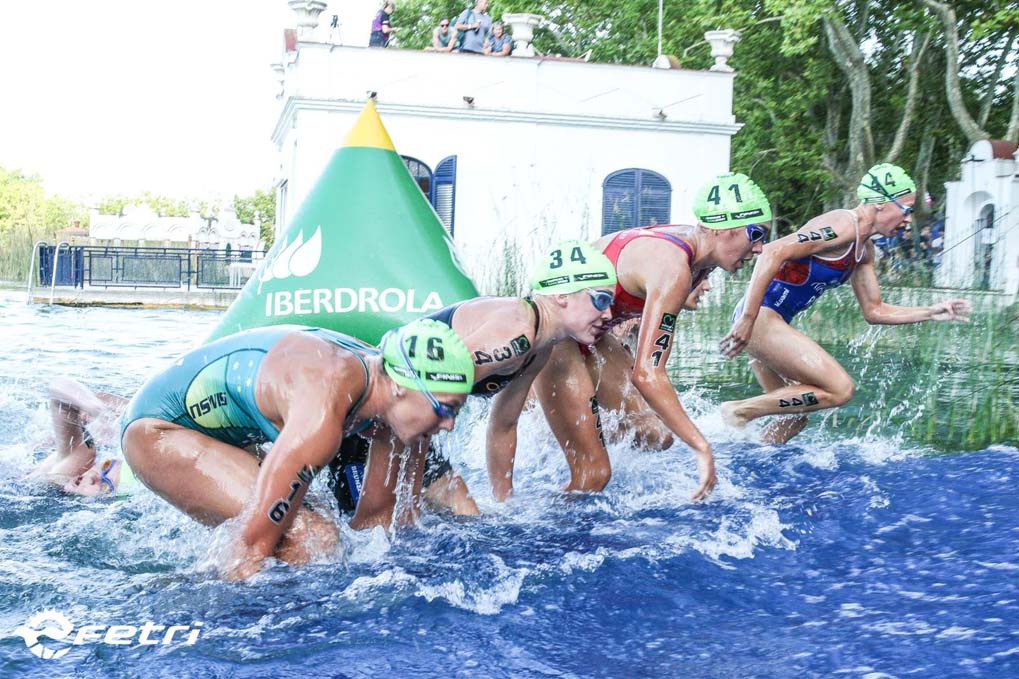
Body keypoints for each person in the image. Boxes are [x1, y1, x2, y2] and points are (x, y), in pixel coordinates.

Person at [120, 320, 474, 580]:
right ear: (400, 387)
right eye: (445, 409)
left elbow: (376, 526)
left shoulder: (391, 403)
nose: (449, 425)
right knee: (311, 537)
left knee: (324, 537)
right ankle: (182, 606)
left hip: (224, 434)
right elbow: (252, 544)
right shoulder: (321, 413)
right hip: (158, 431)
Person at [341, 240, 618, 524]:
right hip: (375, 422)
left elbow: (504, 424)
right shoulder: (515, 335)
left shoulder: (538, 347)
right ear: (562, 295)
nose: (608, 314)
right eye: (601, 300)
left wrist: (505, 505)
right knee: (386, 525)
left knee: (467, 512)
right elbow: (417, 394)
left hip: (412, 424)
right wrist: (408, 497)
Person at [532, 173, 771, 502]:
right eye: (756, 234)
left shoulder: (700, 258)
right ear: (720, 228)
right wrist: (701, 447)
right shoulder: (673, 267)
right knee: (594, 474)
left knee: (655, 435)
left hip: (592, 333)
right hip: (557, 330)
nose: (759, 248)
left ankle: (562, 428)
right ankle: (539, 526)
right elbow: (647, 373)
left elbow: (647, 351)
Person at [719, 163, 971, 443]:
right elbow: (772, 252)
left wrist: (931, 311)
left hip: (763, 320)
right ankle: (739, 411)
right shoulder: (839, 227)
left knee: (794, 417)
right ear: (880, 204)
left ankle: (744, 459)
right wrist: (748, 318)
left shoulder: (864, 250)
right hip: (759, 318)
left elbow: (875, 310)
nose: (908, 219)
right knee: (839, 389)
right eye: (907, 209)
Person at [30, 377, 138, 497]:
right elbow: (59, 388)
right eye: (106, 465)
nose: (93, 476)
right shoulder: (83, 458)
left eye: (106, 486)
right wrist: (95, 408)